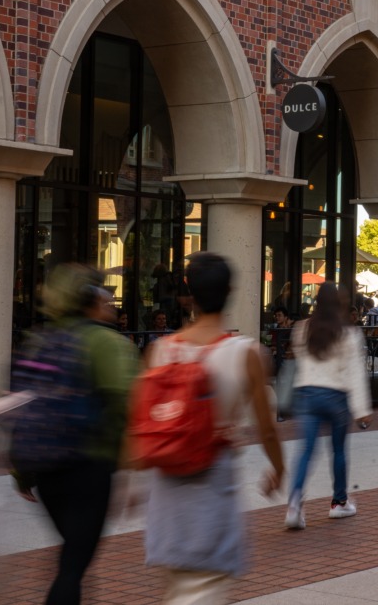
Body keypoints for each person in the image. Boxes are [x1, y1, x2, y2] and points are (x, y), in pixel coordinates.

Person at [145, 253, 285, 604]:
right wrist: (279, 468)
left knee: (177, 587)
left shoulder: (159, 351)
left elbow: (144, 422)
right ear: (230, 291)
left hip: (168, 489)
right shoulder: (247, 353)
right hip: (213, 482)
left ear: (189, 292)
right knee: (204, 589)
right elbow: (267, 429)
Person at [13, 264, 140, 605]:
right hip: (89, 465)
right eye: (104, 294)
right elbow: (125, 405)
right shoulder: (105, 342)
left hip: (45, 468)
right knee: (74, 564)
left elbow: (22, 404)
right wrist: (130, 467)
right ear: (89, 299)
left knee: (73, 554)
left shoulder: (40, 339)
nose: (111, 300)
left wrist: (20, 469)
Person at [285, 283, 372, 530]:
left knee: (306, 451)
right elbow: (355, 372)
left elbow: (300, 361)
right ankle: (339, 502)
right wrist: (362, 409)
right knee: (339, 450)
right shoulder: (349, 333)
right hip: (337, 397)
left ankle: (294, 504)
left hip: (307, 394)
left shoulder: (301, 328)